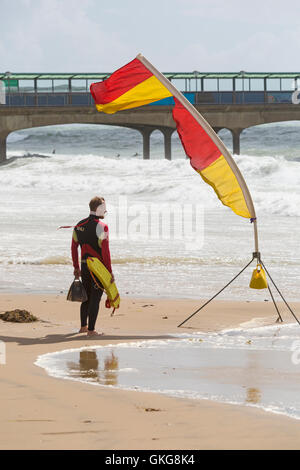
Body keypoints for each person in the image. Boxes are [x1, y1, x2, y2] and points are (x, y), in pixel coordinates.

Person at [71, 196, 114, 336]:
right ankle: (91, 330)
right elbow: (105, 252)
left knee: (86, 297)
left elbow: (73, 247)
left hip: (84, 266)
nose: (106, 210)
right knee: (95, 298)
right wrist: (109, 272)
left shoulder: (79, 225)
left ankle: (83, 327)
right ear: (99, 208)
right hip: (97, 268)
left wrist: (76, 267)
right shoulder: (102, 227)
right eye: (104, 208)